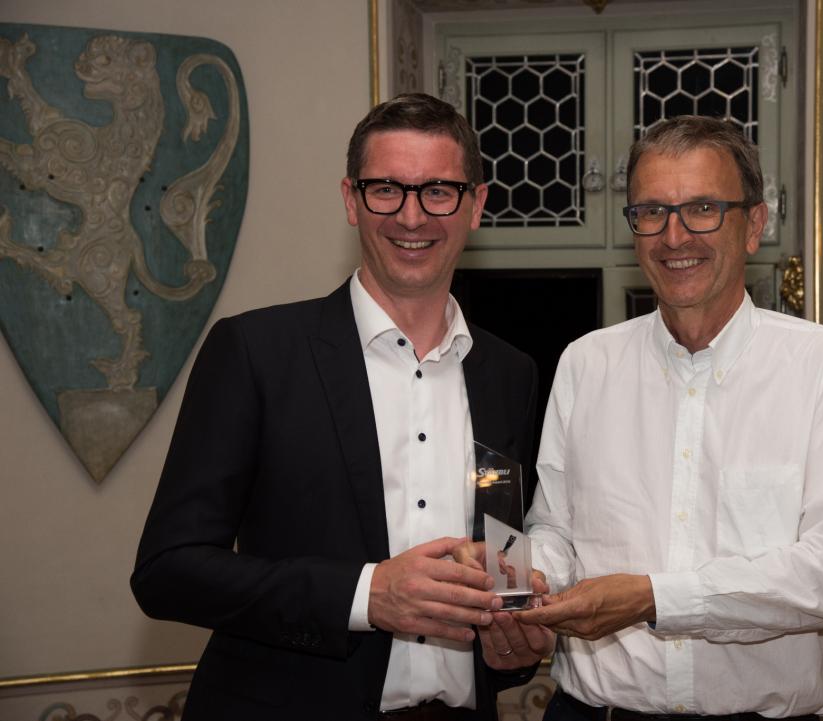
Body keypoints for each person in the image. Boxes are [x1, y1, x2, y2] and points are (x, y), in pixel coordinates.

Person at [131, 93, 553, 721]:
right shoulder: (256, 352)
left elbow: (502, 550)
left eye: (439, 191)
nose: (412, 217)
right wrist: (366, 594)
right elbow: (168, 570)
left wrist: (513, 639)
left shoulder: (510, 374)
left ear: (477, 205)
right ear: (351, 199)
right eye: (387, 189)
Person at [517, 115, 823, 720]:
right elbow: (556, 529)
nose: (674, 236)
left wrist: (652, 599)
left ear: (753, 226)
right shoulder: (586, 363)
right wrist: (527, 578)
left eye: (703, 209)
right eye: (652, 212)